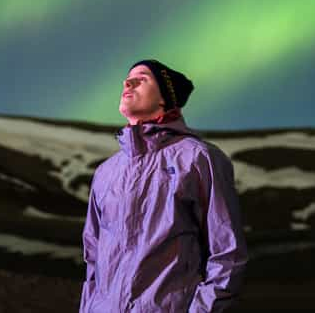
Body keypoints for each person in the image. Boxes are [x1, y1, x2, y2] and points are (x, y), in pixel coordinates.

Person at [79, 59, 247, 312]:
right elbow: (93, 258)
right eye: (127, 78)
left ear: (164, 99)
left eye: (143, 78)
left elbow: (227, 253)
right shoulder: (106, 172)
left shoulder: (198, 158)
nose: (128, 82)